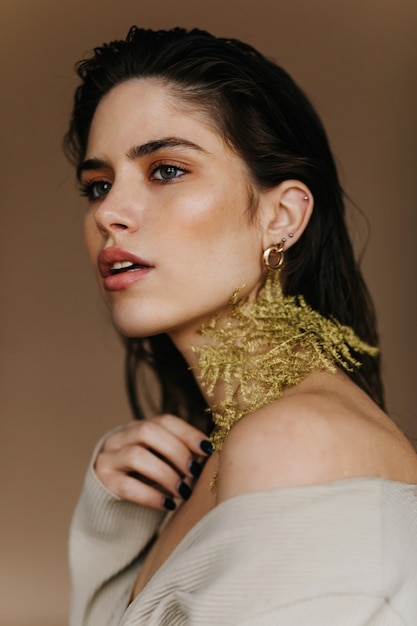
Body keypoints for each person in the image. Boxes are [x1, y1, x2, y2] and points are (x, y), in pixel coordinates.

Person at [65, 26, 417, 625]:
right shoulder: (236, 451)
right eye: (98, 185)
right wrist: (110, 527)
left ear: (281, 216)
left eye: (166, 170)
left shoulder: (292, 443)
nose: (108, 213)